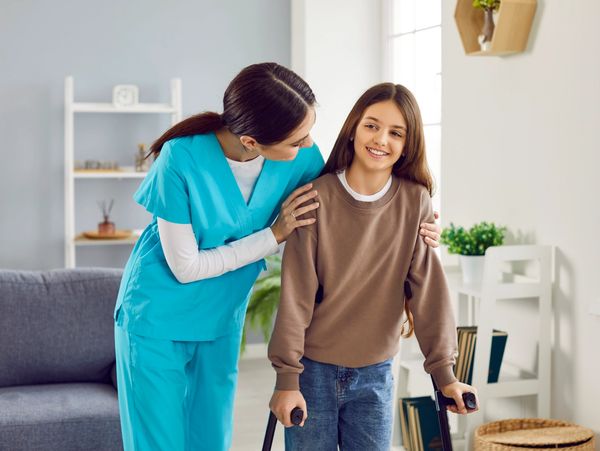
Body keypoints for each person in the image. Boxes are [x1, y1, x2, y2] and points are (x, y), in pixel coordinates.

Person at [113, 63, 442, 451]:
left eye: (309, 132)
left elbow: (350, 199)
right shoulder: (180, 159)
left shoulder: (299, 157)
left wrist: (421, 223)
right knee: (159, 443)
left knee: (210, 440)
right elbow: (185, 267)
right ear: (252, 142)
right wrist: (274, 234)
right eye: (297, 140)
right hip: (157, 315)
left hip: (220, 317)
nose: (308, 146)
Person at [268, 82, 478, 451]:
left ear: (407, 145)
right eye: (372, 125)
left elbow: (428, 292)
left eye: (396, 133)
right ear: (353, 128)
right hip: (312, 372)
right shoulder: (314, 199)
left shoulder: (416, 203)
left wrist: (446, 375)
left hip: (377, 374)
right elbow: (296, 295)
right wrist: (287, 380)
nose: (382, 139)